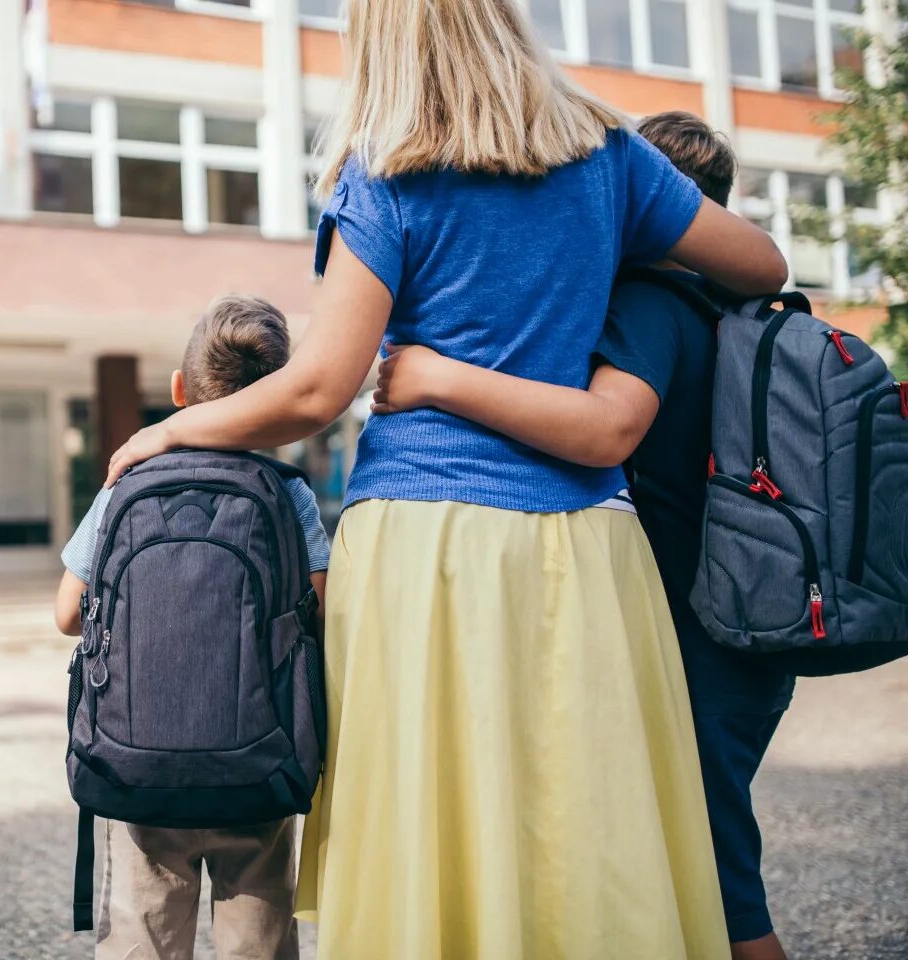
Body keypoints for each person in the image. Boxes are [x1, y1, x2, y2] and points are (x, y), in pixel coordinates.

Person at [102, 1, 789, 956]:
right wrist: (594, 241)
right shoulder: (610, 155)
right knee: (577, 829)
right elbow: (762, 264)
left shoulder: (385, 174)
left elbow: (318, 389)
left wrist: (173, 429)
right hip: (590, 544)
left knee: (433, 829)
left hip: (428, 548)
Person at [371, 110, 795, 960]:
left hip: (700, 638)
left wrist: (436, 376)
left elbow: (607, 430)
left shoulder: (652, 303)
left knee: (722, 892)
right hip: (753, 619)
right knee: (700, 871)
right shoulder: (729, 311)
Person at [54, 294, 331, 960]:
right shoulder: (289, 493)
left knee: (143, 939)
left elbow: (67, 614)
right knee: (257, 945)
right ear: (276, 402)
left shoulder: (126, 482)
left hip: (136, 766)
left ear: (180, 390)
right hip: (258, 765)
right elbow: (318, 616)